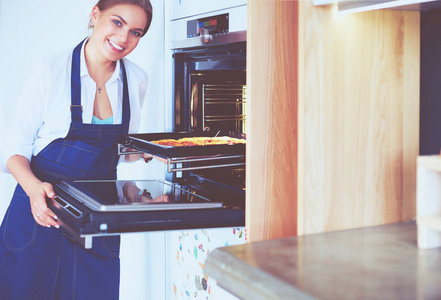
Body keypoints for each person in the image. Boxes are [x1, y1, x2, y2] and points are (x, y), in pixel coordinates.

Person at [0, 0, 153, 299]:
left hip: (98, 219)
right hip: (40, 211)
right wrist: (33, 191)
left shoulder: (137, 80)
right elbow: (14, 149)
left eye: (136, 32)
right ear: (96, 14)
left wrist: (150, 153)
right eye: (117, 23)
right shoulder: (50, 70)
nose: (124, 38)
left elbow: (122, 150)